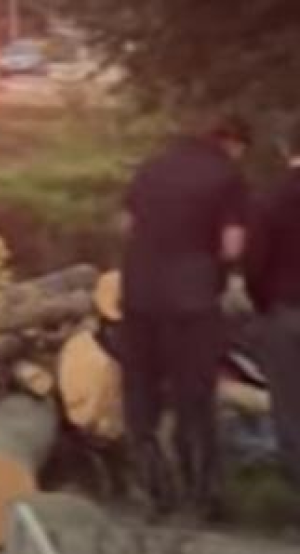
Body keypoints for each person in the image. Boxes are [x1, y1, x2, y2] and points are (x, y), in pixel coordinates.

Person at [119, 114, 251, 518]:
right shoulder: (227, 176)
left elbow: (125, 225)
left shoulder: (151, 167)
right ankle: (200, 500)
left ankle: (150, 495)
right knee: (193, 399)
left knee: (141, 396)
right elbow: (232, 245)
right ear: (233, 142)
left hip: (139, 297)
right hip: (192, 302)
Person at [244, 119, 300, 487]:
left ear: (286, 149)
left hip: (286, 312)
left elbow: (255, 264)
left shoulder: (269, 198)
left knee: (292, 412)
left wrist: (264, 305)